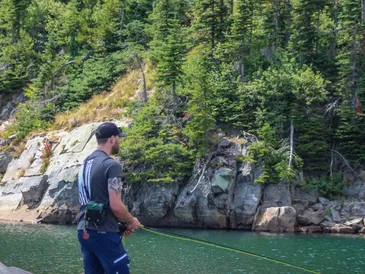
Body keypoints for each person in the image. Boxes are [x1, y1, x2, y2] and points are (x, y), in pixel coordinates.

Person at [77, 122, 141, 274]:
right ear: (112, 139)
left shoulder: (85, 164)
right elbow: (116, 205)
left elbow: (93, 200)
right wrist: (131, 221)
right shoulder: (111, 165)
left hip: (83, 230)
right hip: (103, 233)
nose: (119, 141)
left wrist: (118, 224)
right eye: (119, 138)